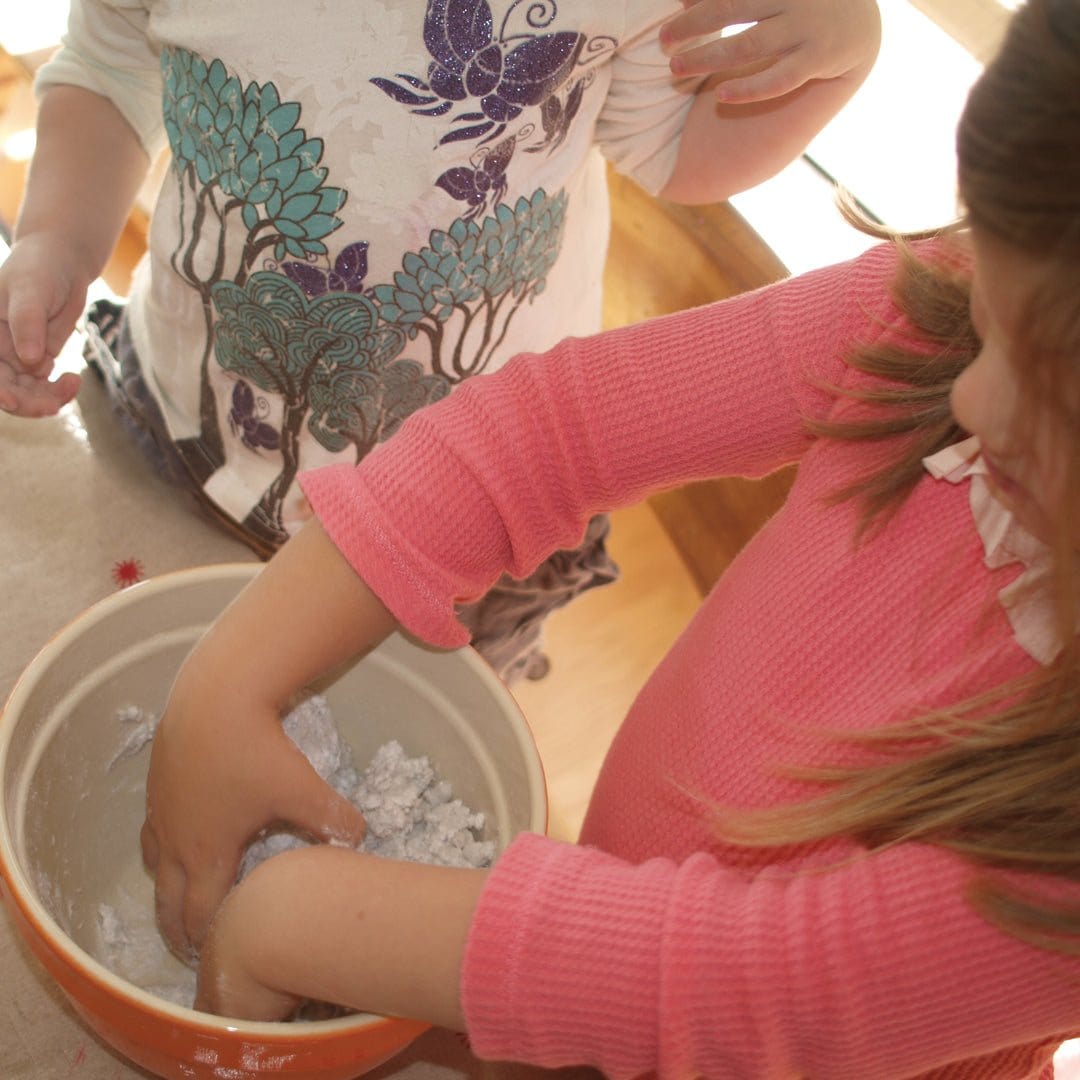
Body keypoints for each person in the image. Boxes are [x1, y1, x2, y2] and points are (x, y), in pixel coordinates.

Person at [140, 0, 1080, 1073]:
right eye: (992, 314)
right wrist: (229, 679)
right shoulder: (941, 315)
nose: (973, 398)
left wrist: (293, 920)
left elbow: (759, 985)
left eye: (1049, 385)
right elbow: (555, 430)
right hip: (615, 960)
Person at [0, 0, 881, 681]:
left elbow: (678, 148)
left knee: (411, 740)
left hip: (477, 508)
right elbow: (110, 69)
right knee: (161, 672)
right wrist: (57, 239)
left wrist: (838, 61)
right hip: (191, 429)